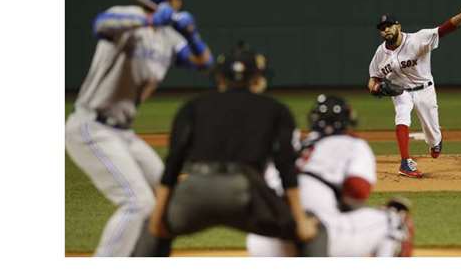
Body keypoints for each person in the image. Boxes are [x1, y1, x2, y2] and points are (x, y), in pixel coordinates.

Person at [65, 0, 214, 256]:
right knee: (137, 203)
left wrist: (191, 35)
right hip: (91, 127)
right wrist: (146, 18)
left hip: (123, 133)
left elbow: (203, 63)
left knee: (165, 197)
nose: (180, 4)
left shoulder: (169, 37)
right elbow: (101, 24)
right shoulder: (125, 18)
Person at [132, 45, 321, 257]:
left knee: (151, 230)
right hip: (246, 193)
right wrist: (300, 222)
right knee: (312, 229)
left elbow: (173, 164)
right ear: (257, 79)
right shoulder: (275, 109)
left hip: (195, 190)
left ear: (220, 79)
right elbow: (285, 167)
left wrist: (157, 220)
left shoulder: (192, 106)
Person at [246, 95, 415, 257]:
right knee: (394, 221)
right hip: (318, 231)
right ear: (348, 120)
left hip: (264, 240)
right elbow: (359, 190)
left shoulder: (292, 143)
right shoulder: (353, 144)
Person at [367, 8, 461, 178]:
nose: (386, 29)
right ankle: (405, 163)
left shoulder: (417, 39)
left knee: (433, 136)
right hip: (401, 91)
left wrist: (460, 18)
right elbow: (373, 78)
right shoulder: (380, 53)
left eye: (389, 26)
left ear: (398, 26)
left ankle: (435, 142)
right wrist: (375, 88)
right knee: (402, 116)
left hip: (425, 90)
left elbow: (443, 30)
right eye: (382, 28)